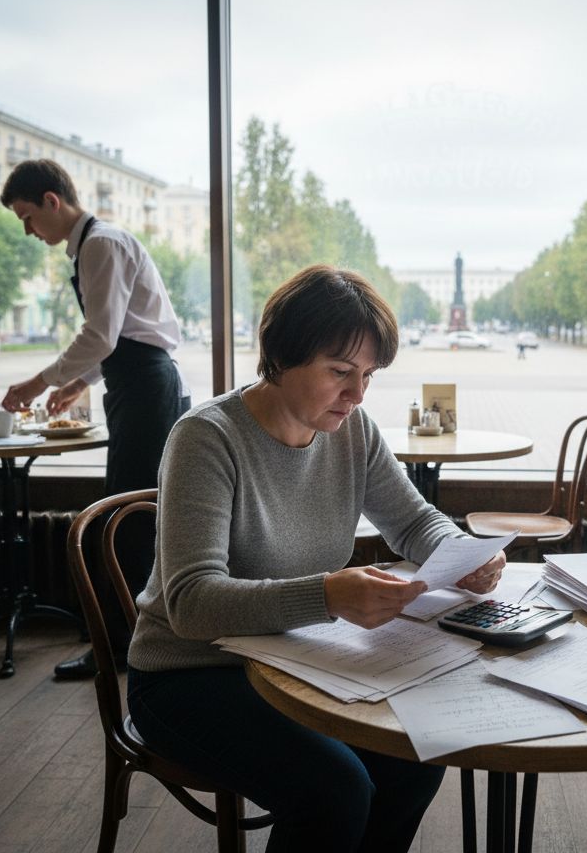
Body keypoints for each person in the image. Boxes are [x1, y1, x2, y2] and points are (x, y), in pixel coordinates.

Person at [126, 265, 506, 852]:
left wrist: (458, 554)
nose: (357, 395)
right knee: (335, 789)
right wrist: (328, 595)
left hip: (294, 658)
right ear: (280, 357)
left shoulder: (353, 432)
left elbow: (412, 520)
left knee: (415, 755)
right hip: (189, 672)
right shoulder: (207, 438)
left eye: (368, 375)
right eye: (339, 373)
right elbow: (191, 605)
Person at [0, 159, 190, 680]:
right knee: (132, 514)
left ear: (51, 202)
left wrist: (37, 384)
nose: (28, 229)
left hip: (145, 385)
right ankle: (137, 638)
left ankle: (125, 645)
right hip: (141, 381)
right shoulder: (97, 243)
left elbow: (104, 335)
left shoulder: (100, 244)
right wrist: (80, 382)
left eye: (26, 216)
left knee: (123, 518)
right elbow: (123, 335)